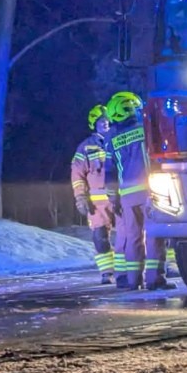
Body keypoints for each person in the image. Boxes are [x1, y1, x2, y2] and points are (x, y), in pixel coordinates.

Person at [104, 90, 174, 291]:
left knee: (132, 238)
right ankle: (154, 279)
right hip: (151, 191)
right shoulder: (146, 129)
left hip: (126, 196)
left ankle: (133, 280)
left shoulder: (111, 138)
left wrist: (113, 198)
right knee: (154, 235)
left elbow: (109, 172)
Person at [71, 104, 116, 284]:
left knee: (131, 236)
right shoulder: (85, 148)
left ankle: (130, 271)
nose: (105, 123)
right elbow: (77, 174)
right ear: (94, 124)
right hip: (97, 204)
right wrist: (80, 197)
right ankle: (107, 272)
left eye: (107, 121)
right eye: (101, 121)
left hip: (120, 198)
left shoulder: (117, 141)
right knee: (100, 237)